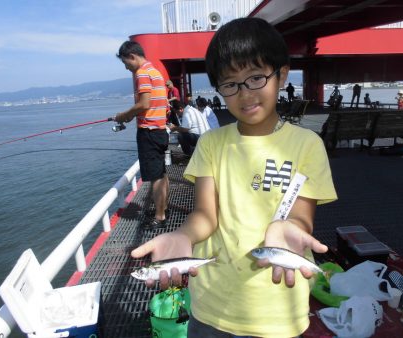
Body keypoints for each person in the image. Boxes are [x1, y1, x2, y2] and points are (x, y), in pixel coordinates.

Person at [131, 17, 337, 337]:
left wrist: (290, 229)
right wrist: (183, 235)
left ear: (281, 75)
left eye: (256, 77)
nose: (245, 94)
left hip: (277, 309)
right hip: (212, 306)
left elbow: (302, 219)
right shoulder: (212, 143)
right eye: (230, 84)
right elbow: (204, 215)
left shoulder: (307, 145)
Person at [114, 41, 170, 229]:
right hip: (160, 130)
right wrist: (133, 115)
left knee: (156, 177)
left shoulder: (142, 73)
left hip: (149, 132)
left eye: (125, 63)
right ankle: (164, 208)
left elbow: (144, 104)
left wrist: (124, 115)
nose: (126, 68)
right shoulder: (156, 72)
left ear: (132, 56)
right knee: (161, 173)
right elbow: (153, 105)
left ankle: (160, 217)